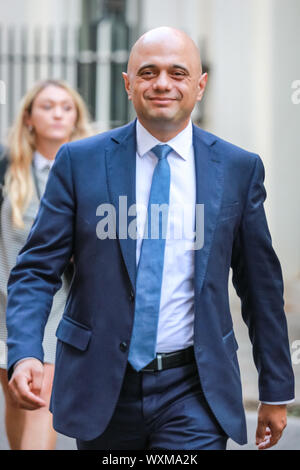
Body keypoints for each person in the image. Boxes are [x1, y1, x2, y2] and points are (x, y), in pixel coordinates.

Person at [5, 28, 294, 451]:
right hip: (104, 384)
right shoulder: (80, 162)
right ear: (128, 83)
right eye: (148, 72)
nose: (162, 83)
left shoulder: (237, 169)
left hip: (194, 389)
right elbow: (35, 270)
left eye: (178, 73)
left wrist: (275, 387)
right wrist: (25, 351)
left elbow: (261, 287)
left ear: (200, 85)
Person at [0, 79, 92, 450]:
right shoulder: (8, 167)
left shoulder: (88, 168)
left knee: (39, 399)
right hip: (5, 305)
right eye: (48, 106)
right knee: (15, 399)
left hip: (57, 305)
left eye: (66, 107)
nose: (58, 114)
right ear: (28, 118)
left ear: (75, 118)